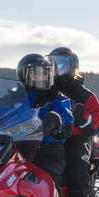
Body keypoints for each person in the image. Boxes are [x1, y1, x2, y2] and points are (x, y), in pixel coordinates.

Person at [48, 47, 99, 197]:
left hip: (76, 139)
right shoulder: (44, 89)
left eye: (61, 65)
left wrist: (81, 117)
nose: (56, 69)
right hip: (48, 138)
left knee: (76, 164)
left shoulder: (83, 95)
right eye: (53, 64)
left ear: (73, 67)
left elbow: (98, 121)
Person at [17, 53, 73, 188]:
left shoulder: (57, 98)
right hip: (15, 146)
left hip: (47, 147)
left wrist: (54, 122)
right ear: (24, 74)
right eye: (37, 74)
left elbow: (66, 120)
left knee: (48, 177)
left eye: (45, 74)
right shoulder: (14, 96)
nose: (42, 77)